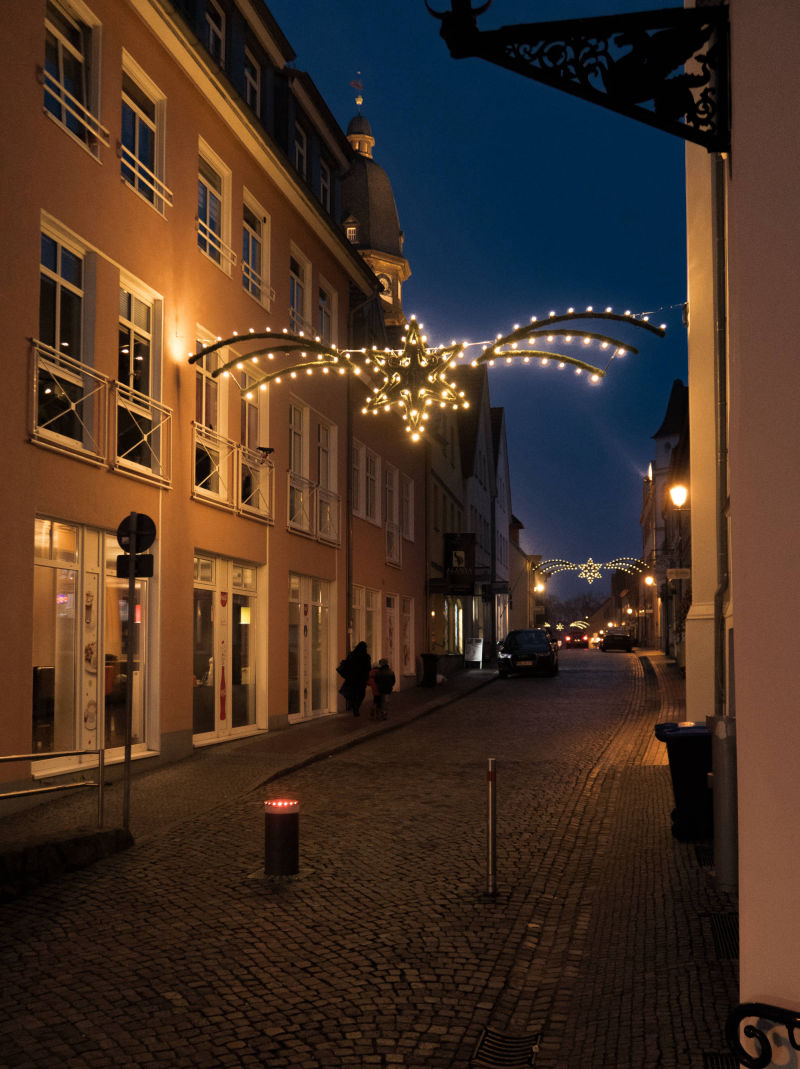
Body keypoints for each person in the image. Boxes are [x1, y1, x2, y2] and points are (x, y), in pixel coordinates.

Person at [337, 641, 371, 717]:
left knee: (353, 693)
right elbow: (368, 668)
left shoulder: (352, 655)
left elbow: (348, 664)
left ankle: (354, 706)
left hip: (353, 678)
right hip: (361, 678)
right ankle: (356, 707)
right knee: (361, 694)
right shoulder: (366, 657)